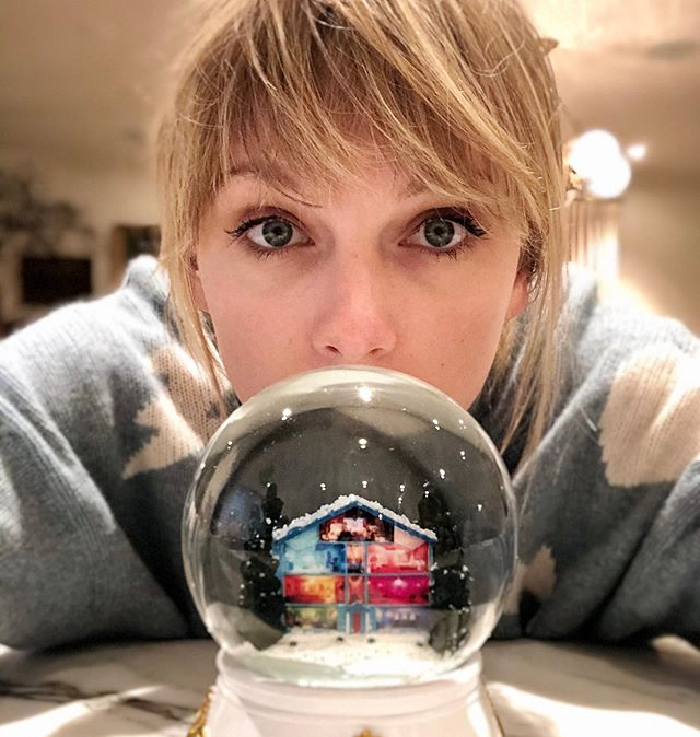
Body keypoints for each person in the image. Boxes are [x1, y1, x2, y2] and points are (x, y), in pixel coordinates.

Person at [0, 0, 698, 652]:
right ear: (192, 266)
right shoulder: (90, 404)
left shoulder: (628, 409)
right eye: (275, 230)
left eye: (440, 228)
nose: (355, 332)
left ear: (526, 269)